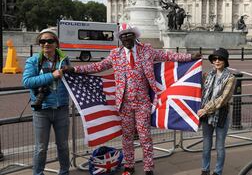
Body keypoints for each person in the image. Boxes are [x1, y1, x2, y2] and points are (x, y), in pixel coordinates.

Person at [63, 23, 202, 175]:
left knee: (145, 137)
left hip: (143, 102)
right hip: (124, 104)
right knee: (127, 137)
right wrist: (74, 69)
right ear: (120, 39)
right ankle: (129, 165)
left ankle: (149, 168)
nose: (126, 38)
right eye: (123, 36)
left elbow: (168, 56)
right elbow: (98, 66)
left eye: (128, 35)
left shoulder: (147, 50)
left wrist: (189, 57)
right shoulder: (115, 54)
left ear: (134, 36)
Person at [22, 28, 71, 175]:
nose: (46, 44)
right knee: (41, 147)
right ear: (39, 44)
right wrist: (52, 75)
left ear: (56, 43)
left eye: (50, 41)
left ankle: (64, 172)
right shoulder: (33, 61)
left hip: (61, 108)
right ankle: (38, 173)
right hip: (42, 110)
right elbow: (27, 81)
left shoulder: (64, 60)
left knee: (63, 145)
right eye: (42, 41)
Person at [197, 48, 236, 175]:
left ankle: (218, 172)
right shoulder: (208, 75)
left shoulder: (230, 77)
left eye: (220, 59)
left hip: (221, 115)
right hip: (206, 115)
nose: (217, 61)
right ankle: (205, 169)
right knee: (206, 145)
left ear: (225, 61)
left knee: (220, 146)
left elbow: (223, 99)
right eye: (214, 59)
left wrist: (205, 109)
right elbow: (200, 91)